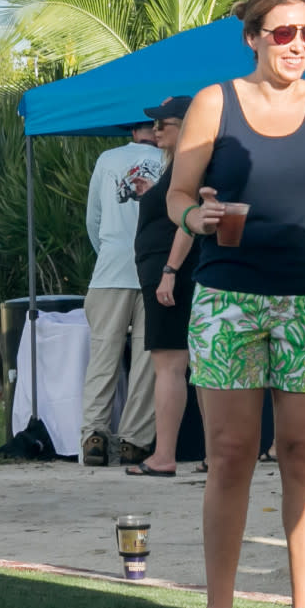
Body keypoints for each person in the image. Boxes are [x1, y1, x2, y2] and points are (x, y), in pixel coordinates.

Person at [172, 0, 305, 608]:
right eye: (284, 34)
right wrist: (198, 215)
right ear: (253, 37)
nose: (298, 46)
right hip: (228, 297)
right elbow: (177, 195)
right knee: (230, 451)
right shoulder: (214, 102)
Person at [78, 116, 166, 466]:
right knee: (148, 361)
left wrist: (109, 253)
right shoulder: (172, 161)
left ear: (132, 131)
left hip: (111, 270)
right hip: (157, 271)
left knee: (103, 356)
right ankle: (134, 439)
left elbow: (93, 220)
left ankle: (94, 436)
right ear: (159, 131)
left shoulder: (107, 160)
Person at [127, 96, 197, 479]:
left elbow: (188, 222)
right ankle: (174, 452)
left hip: (171, 272)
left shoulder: (191, 163)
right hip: (164, 269)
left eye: (163, 124)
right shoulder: (179, 167)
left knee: (169, 364)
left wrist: (170, 269)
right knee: (177, 364)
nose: (154, 131)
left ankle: (165, 453)